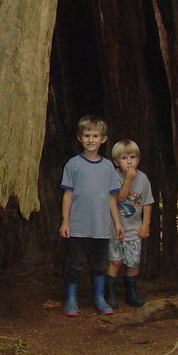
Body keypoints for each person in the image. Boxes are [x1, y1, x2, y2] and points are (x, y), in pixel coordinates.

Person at [59, 114, 124, 316]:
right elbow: (67, 195)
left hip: (101, 226)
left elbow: (112, 198)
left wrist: (117, 223)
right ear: (79, 138)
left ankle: (99, 298)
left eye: (95, 136)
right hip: (77, 225)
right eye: (87, 135)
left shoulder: (108, 168)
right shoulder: (73, 165)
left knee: (99, 264)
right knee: (75, 263)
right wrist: (65, 222)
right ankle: (70, 299)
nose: (90, 140)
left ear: (103, 139)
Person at [103, 139, 154, 308]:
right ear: (116, 161)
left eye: (133, 157)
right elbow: (120, 198)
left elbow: (147, 202)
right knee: (115, 261)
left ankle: (131, 292)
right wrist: (128, 180)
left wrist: (145, 224)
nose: (129, 161)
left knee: (133, 262)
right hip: (114, 228)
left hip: (134, 228)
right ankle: (108, 293)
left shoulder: (143, 179)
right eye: (124, 158)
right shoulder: (114, 177)